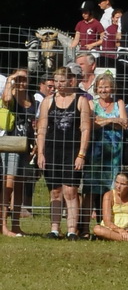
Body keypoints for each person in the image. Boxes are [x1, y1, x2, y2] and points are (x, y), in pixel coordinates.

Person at [36, 66, 91, 240]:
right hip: (52, 150)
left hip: (72, 151)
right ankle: (54, 229)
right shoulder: (47, 101)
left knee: (71, 191)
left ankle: (72, 230)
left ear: (70, 81)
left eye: (62, 81)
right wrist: (40, 153)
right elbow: (42, 129)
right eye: (56, 81)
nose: (58, 84)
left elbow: (85, 129)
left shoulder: (81, 101)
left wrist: (81, 154)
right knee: (55, 191)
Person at [83, 69, 128, 226]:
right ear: (96, 89)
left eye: (106, 87)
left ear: (112, 88)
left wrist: (102, 120)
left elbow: (125, 123)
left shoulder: (119, 103)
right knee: (90, 191)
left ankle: (107, 225)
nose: (103, 90)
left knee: (110, 191)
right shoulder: (91, 104)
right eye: (100, 87)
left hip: (114, 156)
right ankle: (84, 226)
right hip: (95, 155)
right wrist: (112, 120)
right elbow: (91, 123)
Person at [1, 70, 36, 237]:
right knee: (8, 185)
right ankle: (3, 225)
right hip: (11, 144)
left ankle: (15, 225)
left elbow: (34, 123)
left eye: (24, 79)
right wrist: (10, 80)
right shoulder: (11, 95)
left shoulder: (32, 98)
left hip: (26, 145)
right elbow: (6, 99)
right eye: (19, 79)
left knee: (20, 185)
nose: (22, 82)